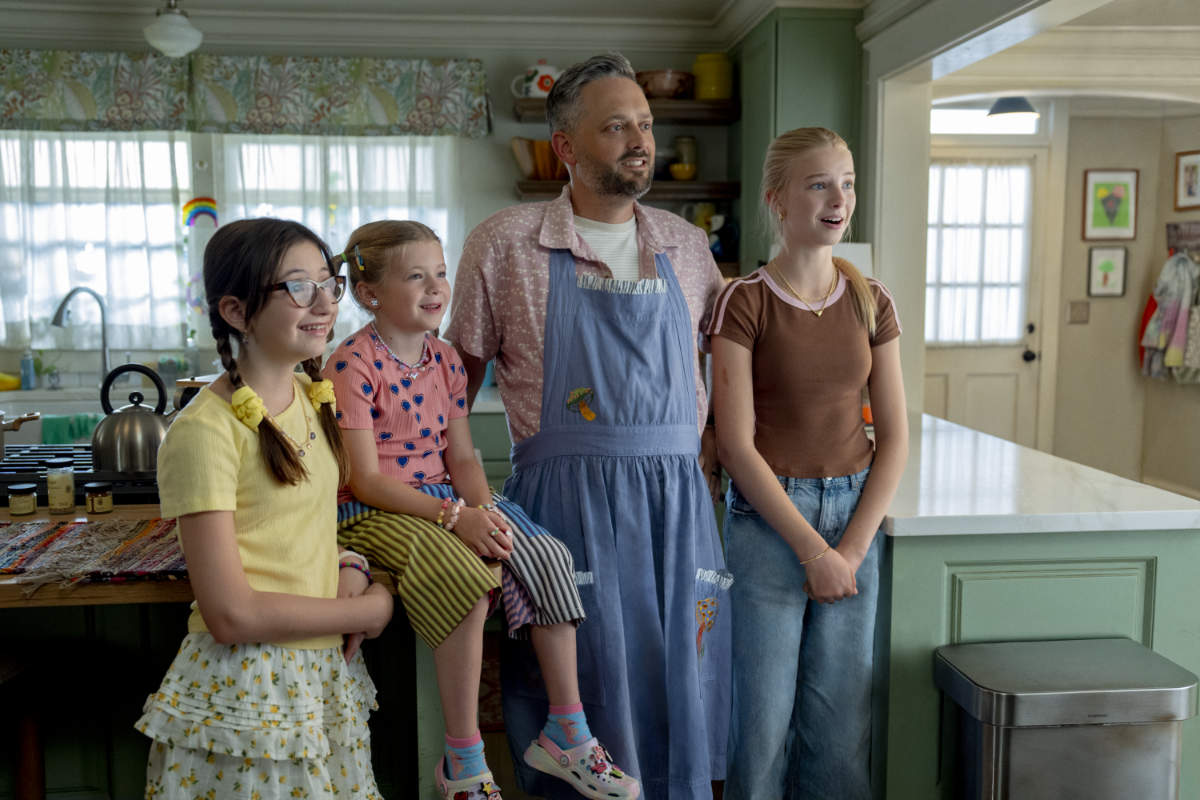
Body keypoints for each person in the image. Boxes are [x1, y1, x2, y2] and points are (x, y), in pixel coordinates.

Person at [445, 53, 731, 800]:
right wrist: (458, 505)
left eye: (646, 124)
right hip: (563, 509)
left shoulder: (687, 247)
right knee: (583, 697)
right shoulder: (504, 243)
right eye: (615, 127)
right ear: (565, 146)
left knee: (682, 684)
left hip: (680, 512)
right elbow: (447, 394)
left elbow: (731, 374)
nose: (640, 140)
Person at [322, 220, 640, 800]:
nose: (435, 287)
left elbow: (464, 458)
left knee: (546, 552)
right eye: (415, 277)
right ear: (369, 294)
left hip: (445, 497)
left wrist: (485, 512)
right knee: (466, 579)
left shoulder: (446, 361)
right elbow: (365, 480)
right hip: (375, 510)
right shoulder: (350, 365)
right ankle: (464, 763)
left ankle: (567, 733)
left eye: (440, 273)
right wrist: (453, 519)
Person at [135, 218, 394, 798]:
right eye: (298, 287)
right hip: (250, 689)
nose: (325, 303)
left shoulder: (310, 397)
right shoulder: (204, 431)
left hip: (318, 678)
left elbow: (287, 528)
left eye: (328, 283)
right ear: (236, 311)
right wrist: (369, 610)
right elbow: (230, 614)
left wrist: (348, 563)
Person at [708, 127, 908, 800]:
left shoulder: (872, 299)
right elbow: (735, 446)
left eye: (846, 183)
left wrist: (848, 552)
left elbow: (895, 439)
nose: (838, 199)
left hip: (855, 520)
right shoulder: (744, 300)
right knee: (762, 728)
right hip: (768, 526)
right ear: (777, 200)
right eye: (818, 184)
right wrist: (812, 551)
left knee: (841, 729)